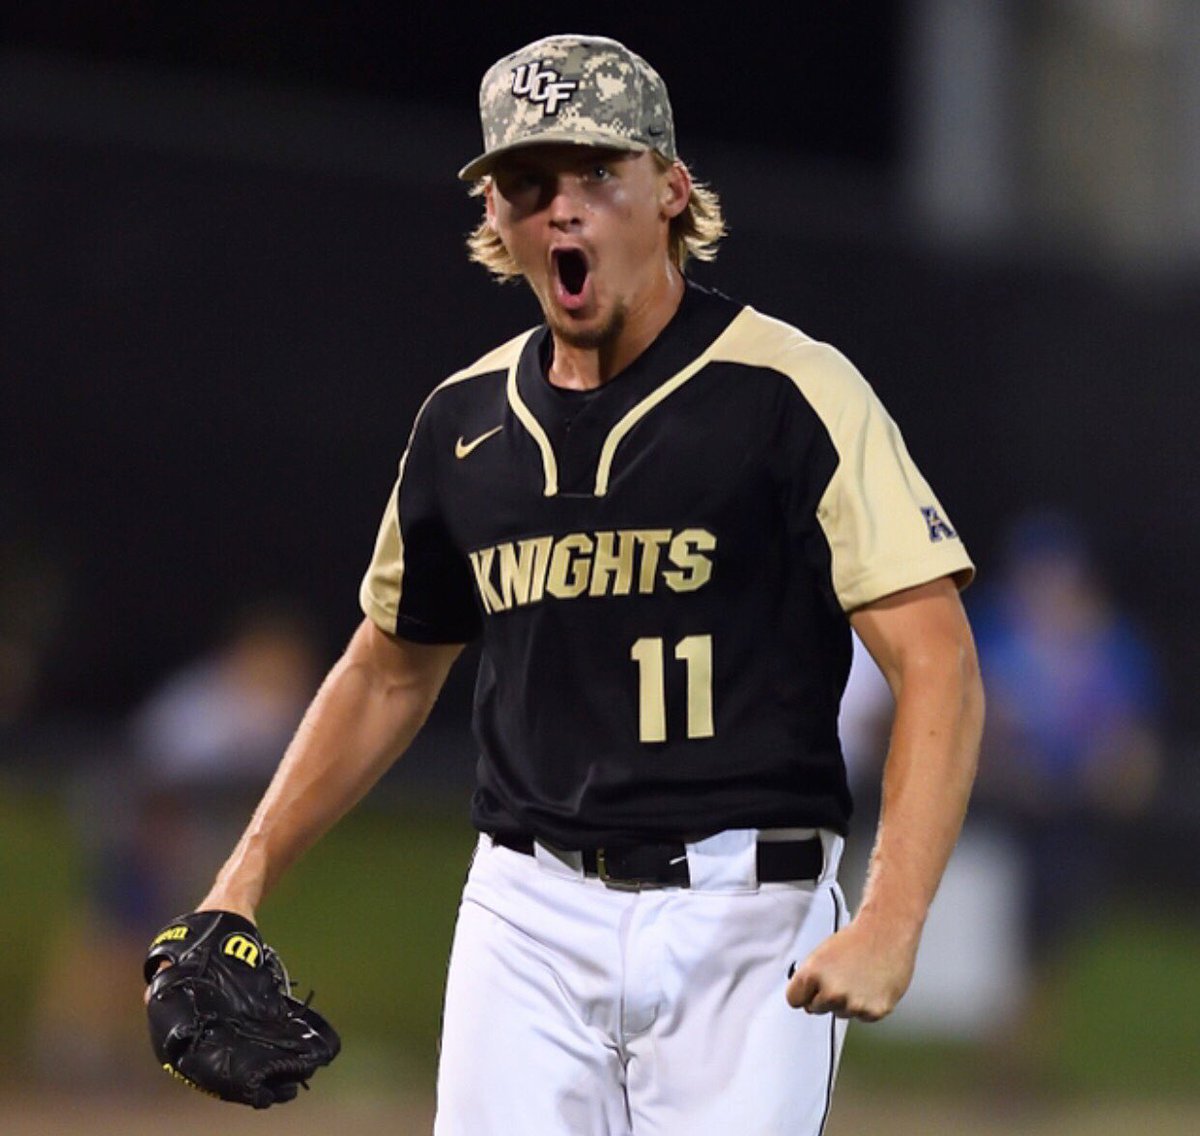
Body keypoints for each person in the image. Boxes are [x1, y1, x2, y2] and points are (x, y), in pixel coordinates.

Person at [166, 34, 984, 1134]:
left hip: (750, 913)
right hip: (527, 909)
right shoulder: (463, 426)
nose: (563, 208)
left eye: (598, 174)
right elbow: (387, 671)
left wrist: (892, 915)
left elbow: (937, 661)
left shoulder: (790, 393)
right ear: (496, 217)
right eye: (526, 182)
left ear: (672, 191)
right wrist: (240, 879)